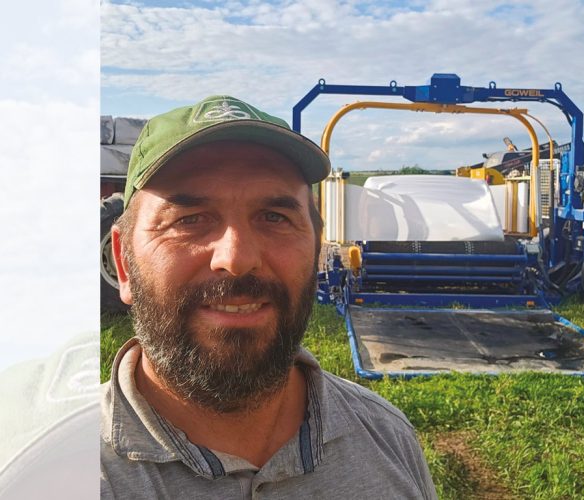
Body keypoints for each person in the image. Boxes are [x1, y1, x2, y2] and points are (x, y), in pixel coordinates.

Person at [100, 95, 437, 499]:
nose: (237, 259)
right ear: (123, 262)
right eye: (188, 220)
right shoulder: (50, 471)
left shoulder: (387, 437)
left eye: (275, 217)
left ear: (315, 248)